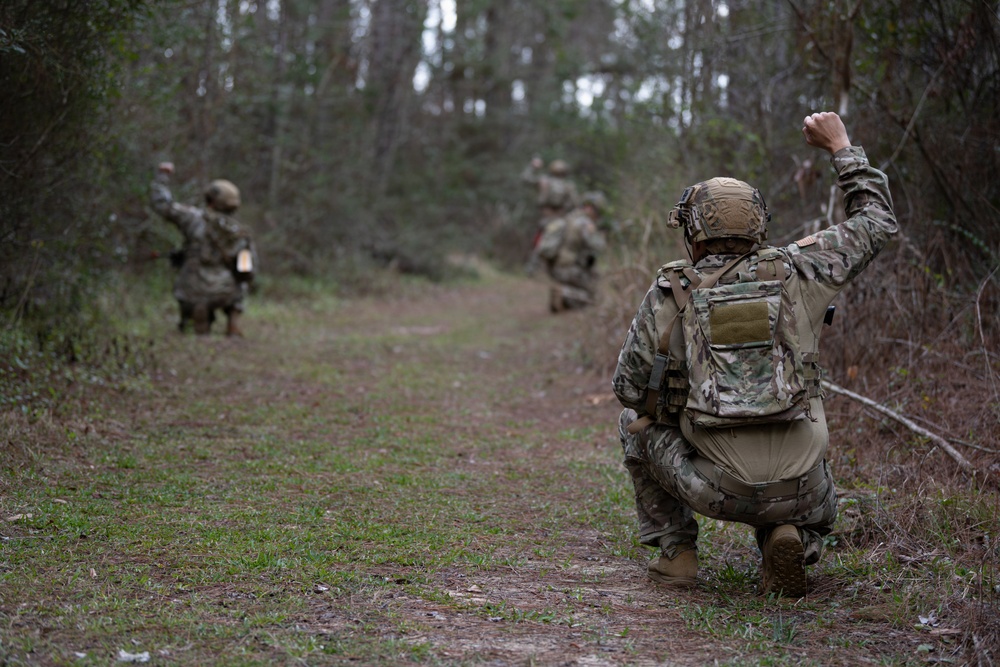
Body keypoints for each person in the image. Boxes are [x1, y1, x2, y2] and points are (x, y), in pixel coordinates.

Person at [611, 112, 897, 597]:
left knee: (632, 425)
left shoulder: (671, 291)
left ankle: (677, 553)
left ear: (691, 232)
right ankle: (792, 535)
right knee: (802, 417)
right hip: (805, 491)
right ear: (760, 225)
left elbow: (630, 389)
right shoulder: (801, 270)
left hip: (716, 490)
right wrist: (841, 146)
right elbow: (876, 221)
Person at [149, 162, 257, 336]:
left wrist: (162, 178)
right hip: (225, 292)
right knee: (241, 284)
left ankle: (193, 319)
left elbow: (163, 205)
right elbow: (248, 272)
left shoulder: (192, 218)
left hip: (193, 291)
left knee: (187, 280)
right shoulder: (240, 234)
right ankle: (233, 320)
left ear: (210, 200)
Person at [535, 191, 608, 312]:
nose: (597, 215)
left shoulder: (569, 218)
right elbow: (598, 246)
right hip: (570, 269)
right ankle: (564, 292)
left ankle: (564, 297)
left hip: (556, 269)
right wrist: (600, 235)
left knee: (593, 275)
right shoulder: (585, 223)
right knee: (595, 297)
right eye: (597, 211)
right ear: (591, 209)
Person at [522, 157, 581, 274]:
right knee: (558, 242)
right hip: (559, 218)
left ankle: (532, 268)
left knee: (539, 241)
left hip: (545, 216)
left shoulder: (544, 181)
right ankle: (552, 269)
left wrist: (532, 167)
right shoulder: (568, 185)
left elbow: (525, 178)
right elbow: (575, 203)